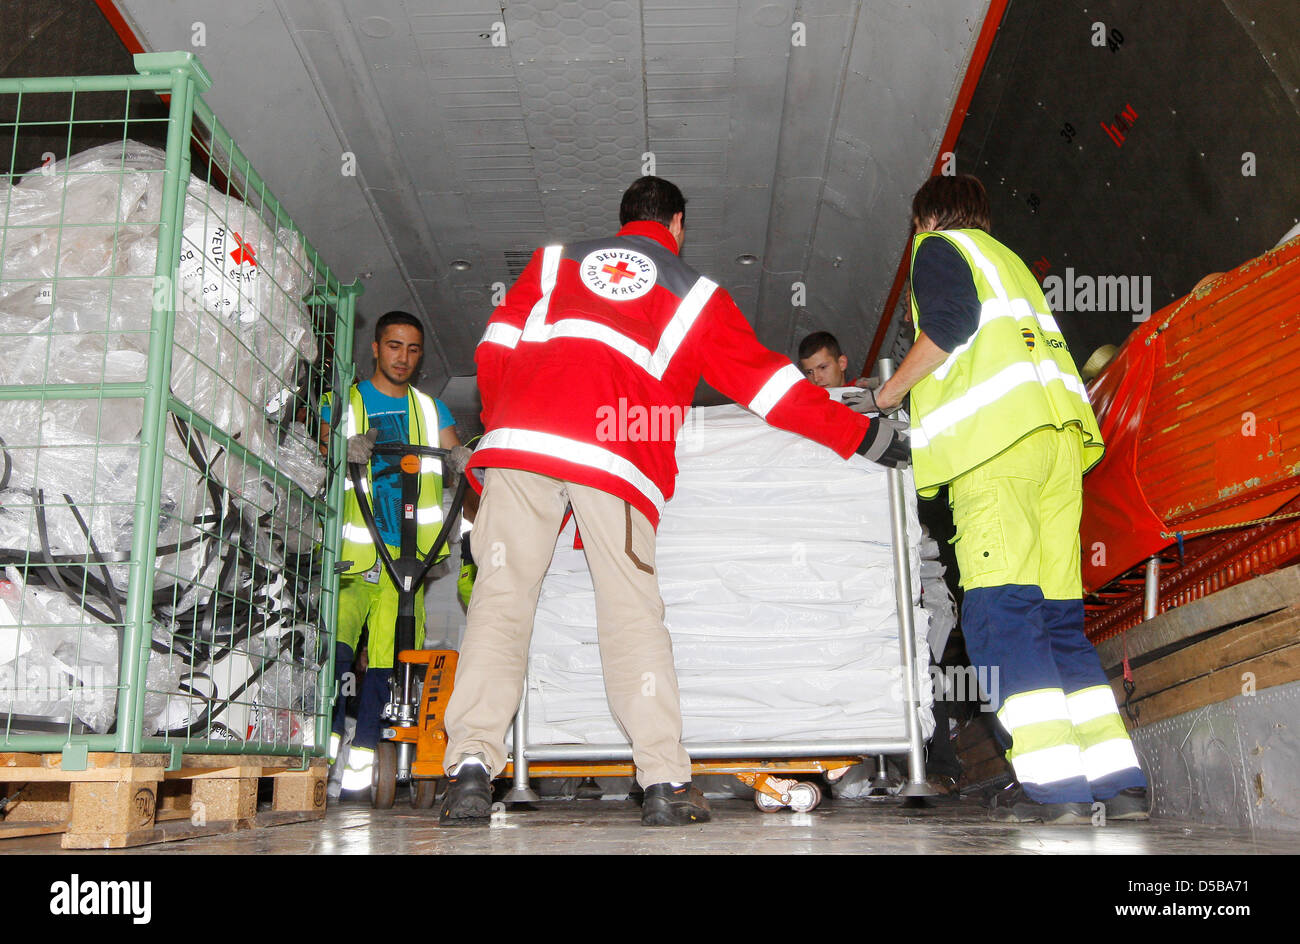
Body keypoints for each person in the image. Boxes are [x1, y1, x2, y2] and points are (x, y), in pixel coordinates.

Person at [440, 175, 908, 826]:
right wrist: (859, 432)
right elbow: (768, 388)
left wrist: (508, 422)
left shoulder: (552, 262)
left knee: (499, 601)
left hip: (521, 446)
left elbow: (493, 349)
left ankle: (468, 770)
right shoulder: (694, 294)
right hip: (615, 457)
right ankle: (662, 782)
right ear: (679, 226)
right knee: (630, 615)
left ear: (622, 219)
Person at [865, 174, 1148, 824]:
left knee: (1000, 620)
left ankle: (1058, 791)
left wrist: (885, 398)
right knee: (1058, 626)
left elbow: (948, 327)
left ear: (925, 219)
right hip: (1057, 450)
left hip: (996, 457)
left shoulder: (941, 249)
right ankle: (1118, 783)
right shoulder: (1010, 264)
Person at [320, 310, 470, 793]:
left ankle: (364, 759)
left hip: (406, 560)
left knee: (391, 660)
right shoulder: (344, 401)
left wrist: (466, 457)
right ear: (376, 348)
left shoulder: (431, 409)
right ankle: (322, 752)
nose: (403, 357)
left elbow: (453, 451)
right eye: (393, 346)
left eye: (412, 349)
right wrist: (341, 447)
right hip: (351, 556)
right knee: (337, 655)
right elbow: (320, 446)